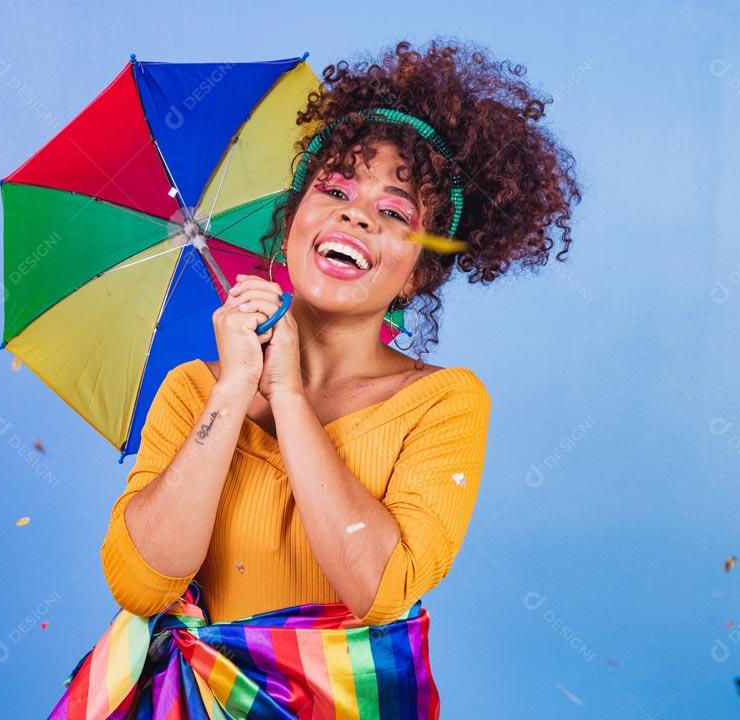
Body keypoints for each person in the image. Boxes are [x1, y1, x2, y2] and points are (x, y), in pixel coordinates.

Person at [51, 37, 580, 719]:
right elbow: (140, 583)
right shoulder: (196, 388)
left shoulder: (442, 403)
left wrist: (292, 397)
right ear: (294, 221)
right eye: (333, 189)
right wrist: (236, 388)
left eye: (394, 211)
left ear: (418, 274)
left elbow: (379, 589)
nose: (356, 213)